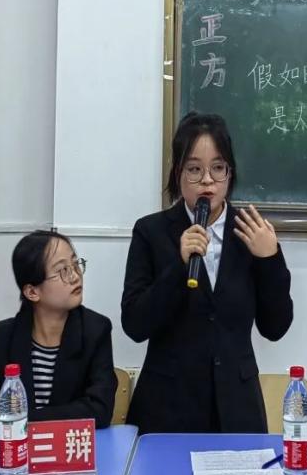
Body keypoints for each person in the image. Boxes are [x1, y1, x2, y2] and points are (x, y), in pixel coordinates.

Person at [121, 111, 294, 434]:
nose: (207, 180)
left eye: (217, 167)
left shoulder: (251, 233)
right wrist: (178, 266)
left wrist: (269, 259)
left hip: (237, 411)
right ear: (178, 173)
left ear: (230, 172)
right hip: (167, 411)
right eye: (194, 169)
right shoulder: (151, 232)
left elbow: (275, 327)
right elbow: (134, 324)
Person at [0, 230, 116, 449]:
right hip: (20, 459)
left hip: (73, 453)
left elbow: (99, 409)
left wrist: (20, 420)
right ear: (32, 292)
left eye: (76, 264)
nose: (76, 276)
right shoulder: (3, 339)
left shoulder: (95, 330)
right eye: (63, 271)